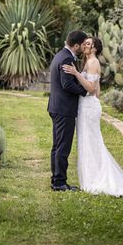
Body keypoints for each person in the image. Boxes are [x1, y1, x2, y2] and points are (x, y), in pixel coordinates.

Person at [62, 37, 123, 199]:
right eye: (85, 43)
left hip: (88, 107)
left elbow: (90, 89)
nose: (85, 45)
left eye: (89, 44)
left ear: (95, 48)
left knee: (92, 143)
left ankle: (95, 179)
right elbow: (97, 91)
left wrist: (76, 73)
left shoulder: (93, 63)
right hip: (88, 105)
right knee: (87, 142)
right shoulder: (89, 62)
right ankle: (90, 178)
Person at [48, 30, 88, 192]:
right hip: (64, 109)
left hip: (57, 107)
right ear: (76, 45)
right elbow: (67, 85)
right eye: (83, 45)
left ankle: (56, 179)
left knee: (57, 146)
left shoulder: (60, 55)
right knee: (62, 147)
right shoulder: (66, 58)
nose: (84, 48)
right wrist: (85, 91)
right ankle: (59, 183)